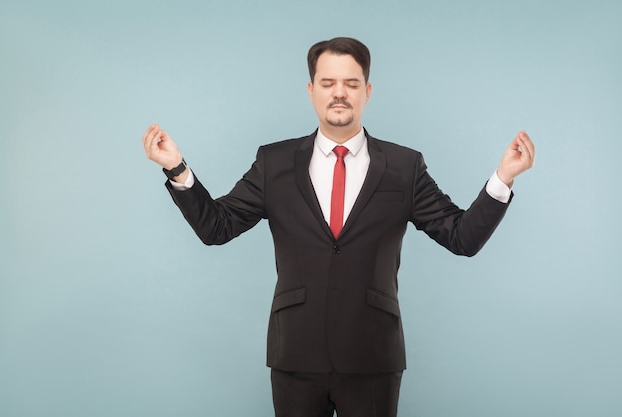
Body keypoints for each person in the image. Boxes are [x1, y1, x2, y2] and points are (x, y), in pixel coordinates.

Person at [141, 37, 535, 417]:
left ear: (367, 90)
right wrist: (177, 169)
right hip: (295, 352)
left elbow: (461, 236)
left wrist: (503, 178)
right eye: (328, 83)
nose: (339, 93)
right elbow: (217, 227)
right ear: (311, 90)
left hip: (373, 355)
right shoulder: (274, 163)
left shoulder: (404, 166)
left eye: (351, 83)